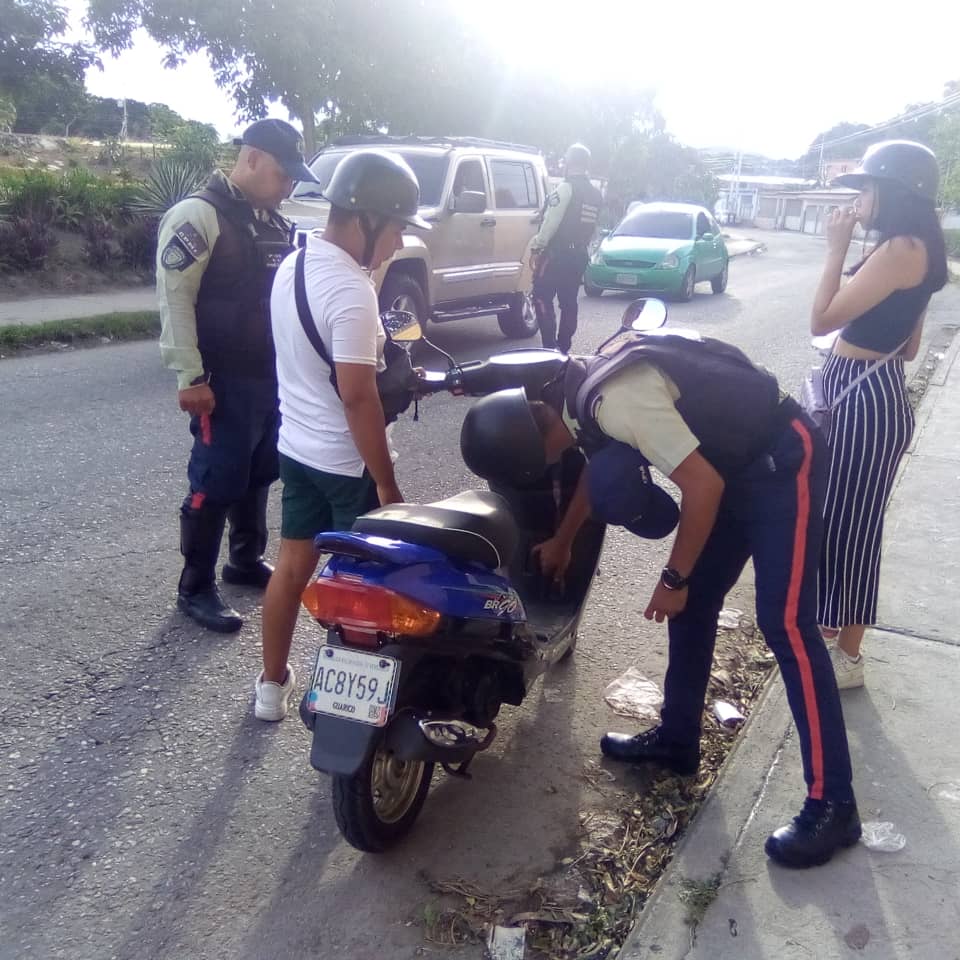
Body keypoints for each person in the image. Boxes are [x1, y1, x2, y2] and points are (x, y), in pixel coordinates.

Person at [459, 327, 860, 868]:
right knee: (695, 603)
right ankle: (677, 741)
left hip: (782, 462)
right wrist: (563, 539)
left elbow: (702, 489)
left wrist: (672, 578)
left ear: (537, 436)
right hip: (732, 468)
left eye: (532, 462)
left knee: (785, 623)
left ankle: (834, 803)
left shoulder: (618, 403)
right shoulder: (574, 393)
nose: (546, 467)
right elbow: (592, 468)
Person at [254, 149, 430, 721]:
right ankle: (357, 714)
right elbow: (358, 396)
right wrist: (386, 483)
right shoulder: (352, 291)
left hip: (296, 448)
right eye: (399, 227)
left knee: (291, 565)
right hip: (344, 463)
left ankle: (269, 688)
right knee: (365, 590)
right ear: (366, 218)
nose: (400, 243)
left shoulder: (293, 263)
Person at [157, 119, 316, 633]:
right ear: (250, 160)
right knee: (217, 478)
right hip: (219, 379)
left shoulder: (270, 220)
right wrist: (190, 375)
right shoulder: (197, 216)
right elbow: (174, 299)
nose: (287, 185)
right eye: (280, 173)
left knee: (259, 470)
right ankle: (194, 587)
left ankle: (244, 561)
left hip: (268, 377)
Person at [814, 141, 948, 689]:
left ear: (895, 192)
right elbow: (911, 349)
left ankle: (846, 657)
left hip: (861, 399)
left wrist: (835, 250)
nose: (860, 198)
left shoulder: (898, 249)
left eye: (867, 187)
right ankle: (837, 644)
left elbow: (821, 320)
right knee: (850, 523)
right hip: (878, 392)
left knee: (848, 528)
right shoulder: (923, 250)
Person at [530, 143, 603, 353]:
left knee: (541, 296)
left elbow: (551, 221)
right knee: (569, 302)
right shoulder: (595, 194)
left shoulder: (565, 188)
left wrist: (537, 246)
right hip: (579, 255)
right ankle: (563, 348)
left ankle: (549, 348)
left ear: (568, 162)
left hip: (556, 255)